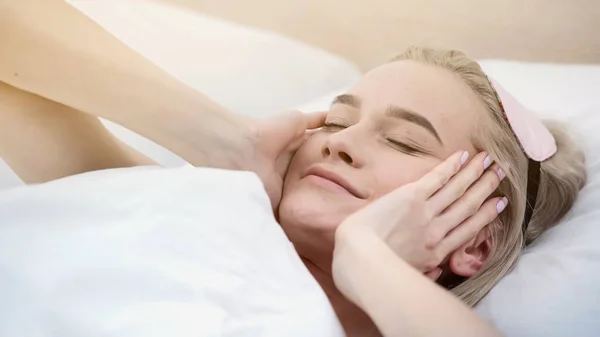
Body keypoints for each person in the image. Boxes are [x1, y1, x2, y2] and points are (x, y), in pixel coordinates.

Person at [0, 1, 587, 336]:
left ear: (475, 242)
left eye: (406, 143)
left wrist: (367, 256)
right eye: (334, 122)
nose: (342, 144)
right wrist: (223, 136)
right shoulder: (178, 208)